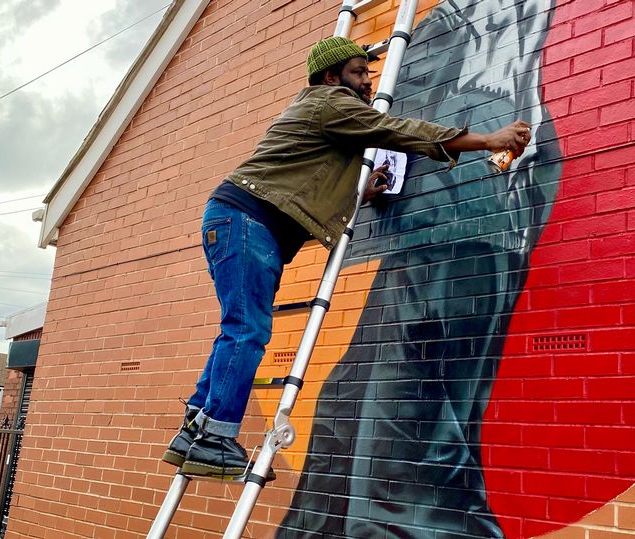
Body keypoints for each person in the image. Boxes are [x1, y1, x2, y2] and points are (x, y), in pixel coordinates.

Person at [161, 36, 531, 481]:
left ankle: (197, 432)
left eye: (368, 73)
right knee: (247, 330)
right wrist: (488, 139)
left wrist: (362, 193)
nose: (367, 82)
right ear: (332, 76)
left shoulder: (327, 116)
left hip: (242, 221)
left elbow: (311, 180)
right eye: (359, 72)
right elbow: (397, 130)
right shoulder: (330, 100)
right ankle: (216, 438)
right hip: (246, 219)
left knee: (238, 329)